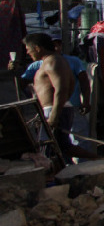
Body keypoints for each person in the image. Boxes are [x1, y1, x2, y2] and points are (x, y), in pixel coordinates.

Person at [18, 33, 97, 163]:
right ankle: (97, 160)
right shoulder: (51, 62)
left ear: (37, 48)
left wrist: (54, 114)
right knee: (63, 146)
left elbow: (62, 88)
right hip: (57, 108)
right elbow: (66, 86)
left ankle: (53, 176)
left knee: (48, 147)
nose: (28, 53)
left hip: (55, 109)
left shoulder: (52, 62)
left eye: (28, 49)